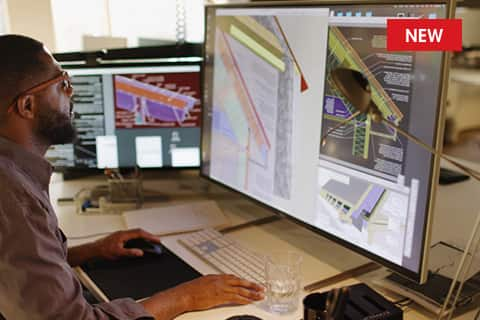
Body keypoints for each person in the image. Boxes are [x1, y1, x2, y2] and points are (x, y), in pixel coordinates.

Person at [0, 35, 264, 320]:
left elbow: (18, 271)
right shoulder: (13, 198)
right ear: (27, 106)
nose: (71, 91)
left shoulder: (14, 177)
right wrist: (187, 296)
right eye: (62, 83)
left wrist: (90, 251)